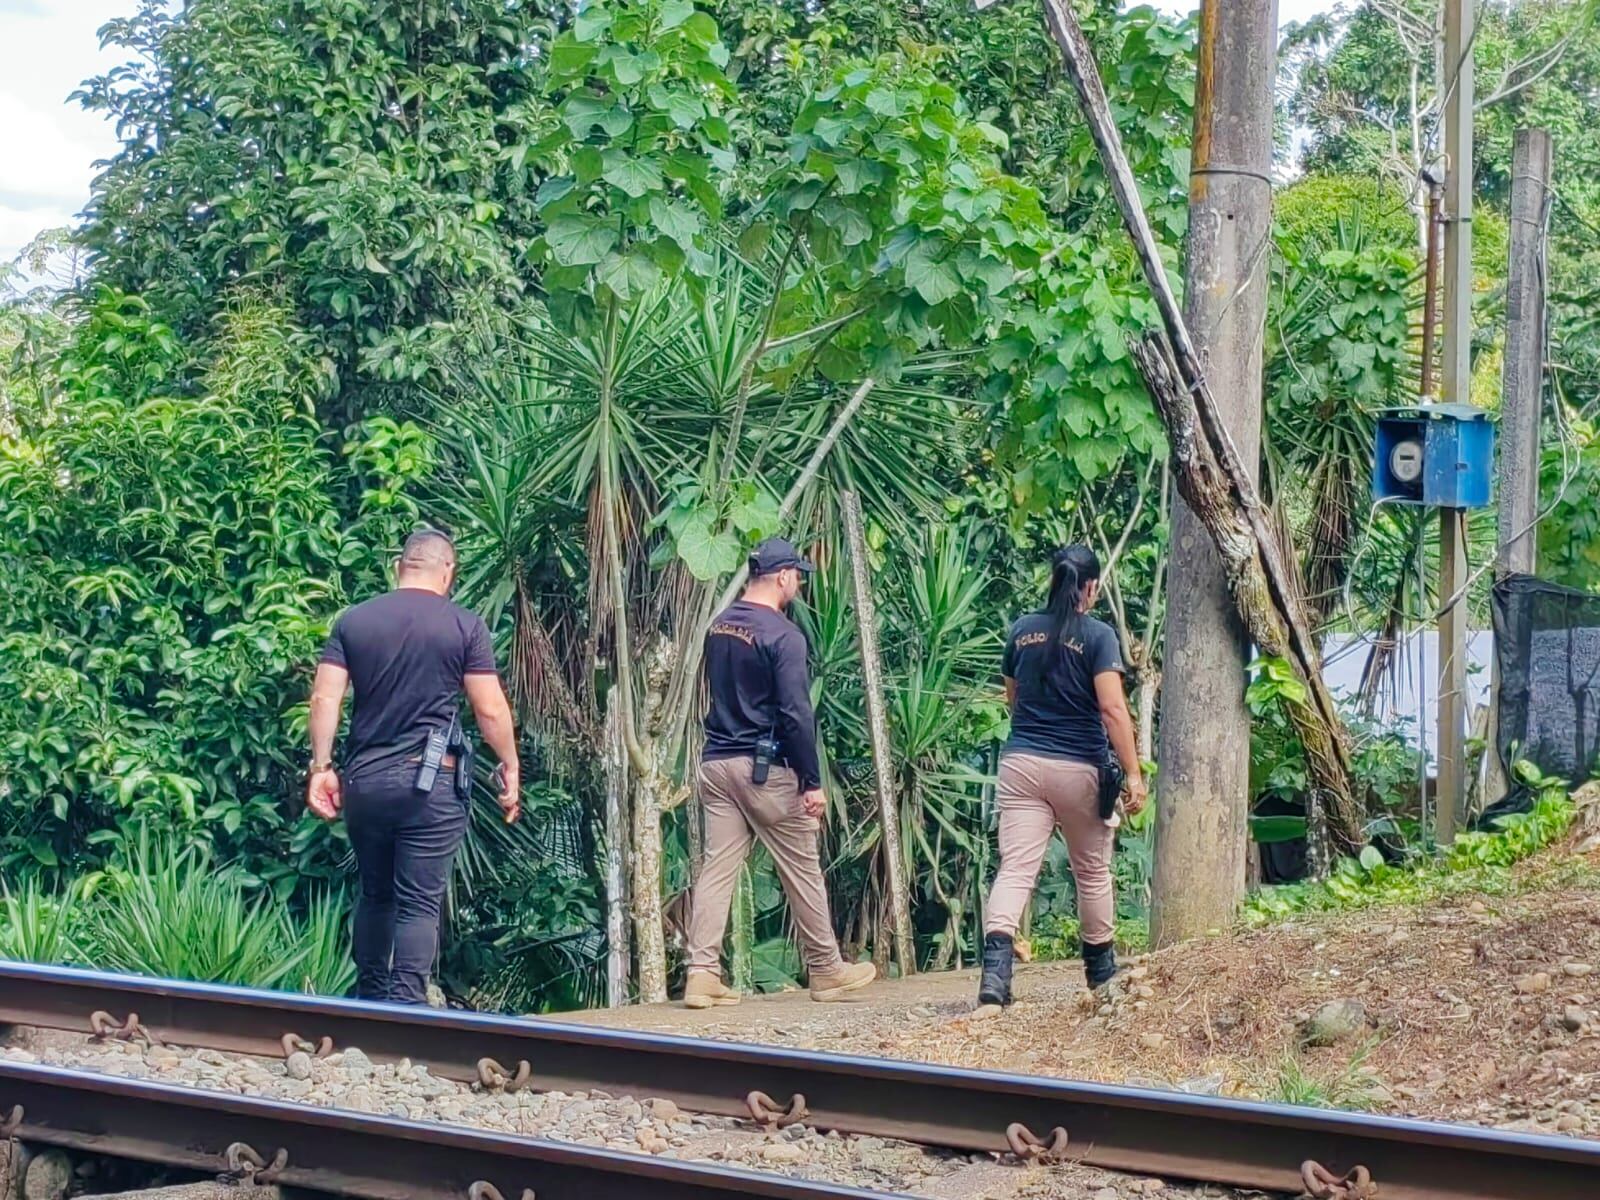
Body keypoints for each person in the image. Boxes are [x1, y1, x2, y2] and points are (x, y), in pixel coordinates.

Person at [305, 529, 521, 1004]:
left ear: (400, 568)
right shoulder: (464, 626)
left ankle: (369, 999)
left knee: (376, 894)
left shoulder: (353, 621)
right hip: (431, 787)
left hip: (365, 784)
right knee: (419, 902)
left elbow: (325, 697)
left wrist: (321, 766)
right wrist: (509, 763)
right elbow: (489, 709)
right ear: (448, 572)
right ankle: (406, 1010)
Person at [681, 537, 876, 1009]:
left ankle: (701, 972)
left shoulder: (719, 627)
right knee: (802, 866)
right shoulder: (783, 635)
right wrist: (811, 781)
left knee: (717, 867)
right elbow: (795, 714)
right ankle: (826, 969)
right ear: (783, 576)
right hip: (763, 770)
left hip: (716, 763)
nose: (801, 584)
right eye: (799, 576)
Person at [978, 544, 1146, 1007]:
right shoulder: (1098, 636)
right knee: (1091, 873)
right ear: (1089, 587)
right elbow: (1112, 708)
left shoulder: (1021, 631)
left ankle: (994, 981)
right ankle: (1100, 973)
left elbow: (1012, 699)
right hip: (1079, 769)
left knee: (1015, 870)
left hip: (1022, 764)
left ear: (1054, 580)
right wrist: (1133, 774)